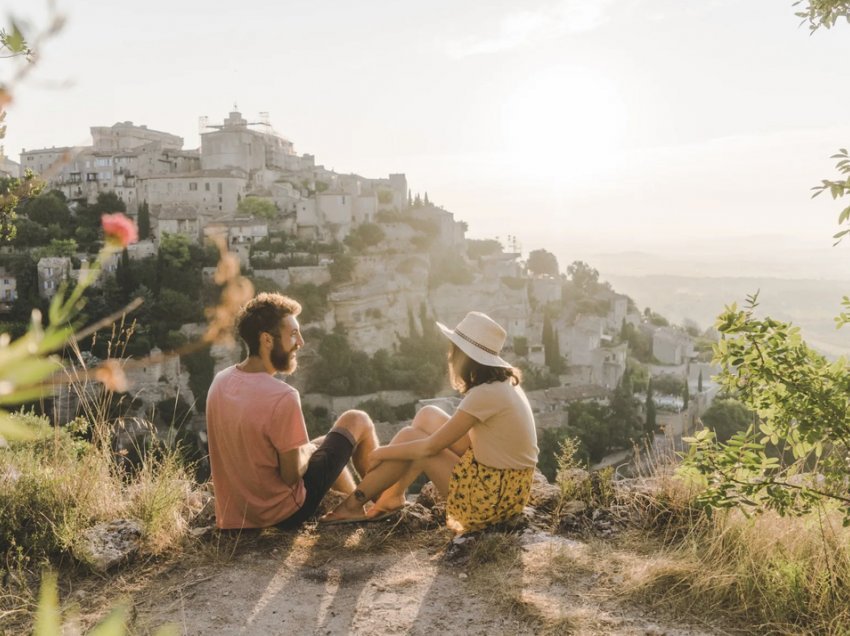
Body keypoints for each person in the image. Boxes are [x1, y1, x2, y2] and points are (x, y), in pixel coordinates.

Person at [322, 311, 539, 534]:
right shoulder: (502, 384)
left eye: (453, 349)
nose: (449, 354)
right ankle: (391, 497)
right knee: (427, 415)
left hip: (491, 502)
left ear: (464, 356)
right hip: (507, 487)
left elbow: (429, 447)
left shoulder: (485, 394)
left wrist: (380, 453)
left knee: (414, 439)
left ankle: (354, 504)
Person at [206, 292, 379, 530]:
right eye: (294, 334)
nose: (301, 342)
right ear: (267, 340)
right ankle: (382, 505)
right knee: (357, 419)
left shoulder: (220, 382)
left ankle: (354, 508)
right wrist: (307, 450)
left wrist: (308, 448)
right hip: (281, 514)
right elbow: (291, 475)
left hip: (236, 517)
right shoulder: (283, 396)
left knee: (320, 445)